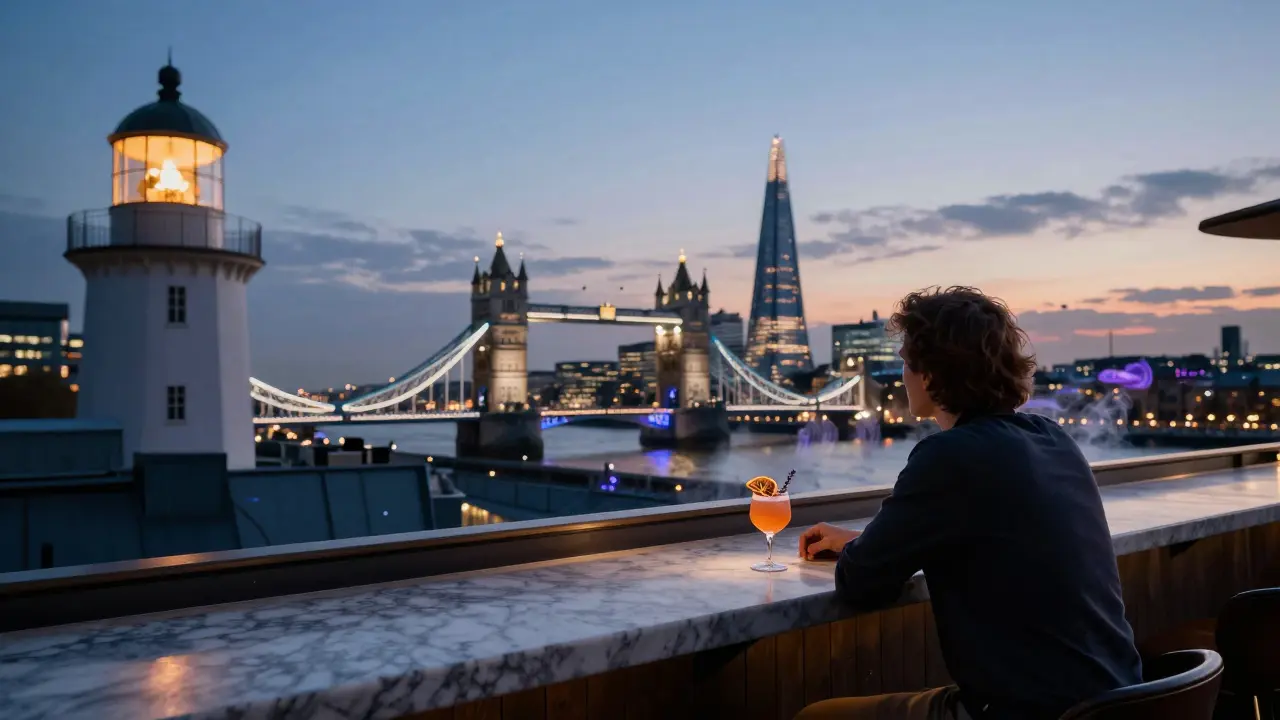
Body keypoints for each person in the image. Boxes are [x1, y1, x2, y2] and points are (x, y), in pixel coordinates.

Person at [796, 287, 1142, 720]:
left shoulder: (949, 455)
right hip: (1121, 701)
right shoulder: (1053, 438)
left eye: (906, 362)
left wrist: (864, 550)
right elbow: (995, 537)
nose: (901, 376)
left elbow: (862, 582)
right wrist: (869, 540)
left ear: (934, 372)